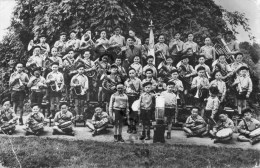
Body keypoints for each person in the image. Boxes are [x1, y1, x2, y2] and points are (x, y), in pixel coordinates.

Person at [125, 68, 142, 134]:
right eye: (130, 73)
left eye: (133, 73)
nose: (131, 74)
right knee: (128, 113)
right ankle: (129, 127)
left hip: (135, 97)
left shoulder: (138, 80)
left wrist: (140, 98)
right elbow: (125, 89)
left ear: (135, 73)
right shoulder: (126, 81)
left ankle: (134, 127)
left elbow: (141, 90)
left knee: (135, 113)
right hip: (128, 97)